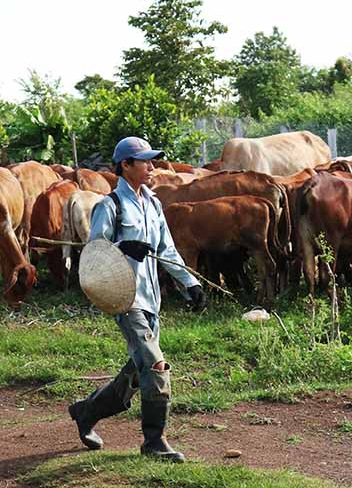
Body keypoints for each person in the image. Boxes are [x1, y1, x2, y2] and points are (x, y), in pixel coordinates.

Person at [68, 136, 206, 463]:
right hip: (125, 299)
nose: (152, 167)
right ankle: (154, 442)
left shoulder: (153, 204)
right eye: (145, 161)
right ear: (126, 165)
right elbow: (94, 252)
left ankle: (87, 412)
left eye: (152, 161)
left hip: (151, 299)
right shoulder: (110, 206)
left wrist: (191, 284)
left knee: (135, 374)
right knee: (156, 365)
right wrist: (122, 247)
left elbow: (166, 250)